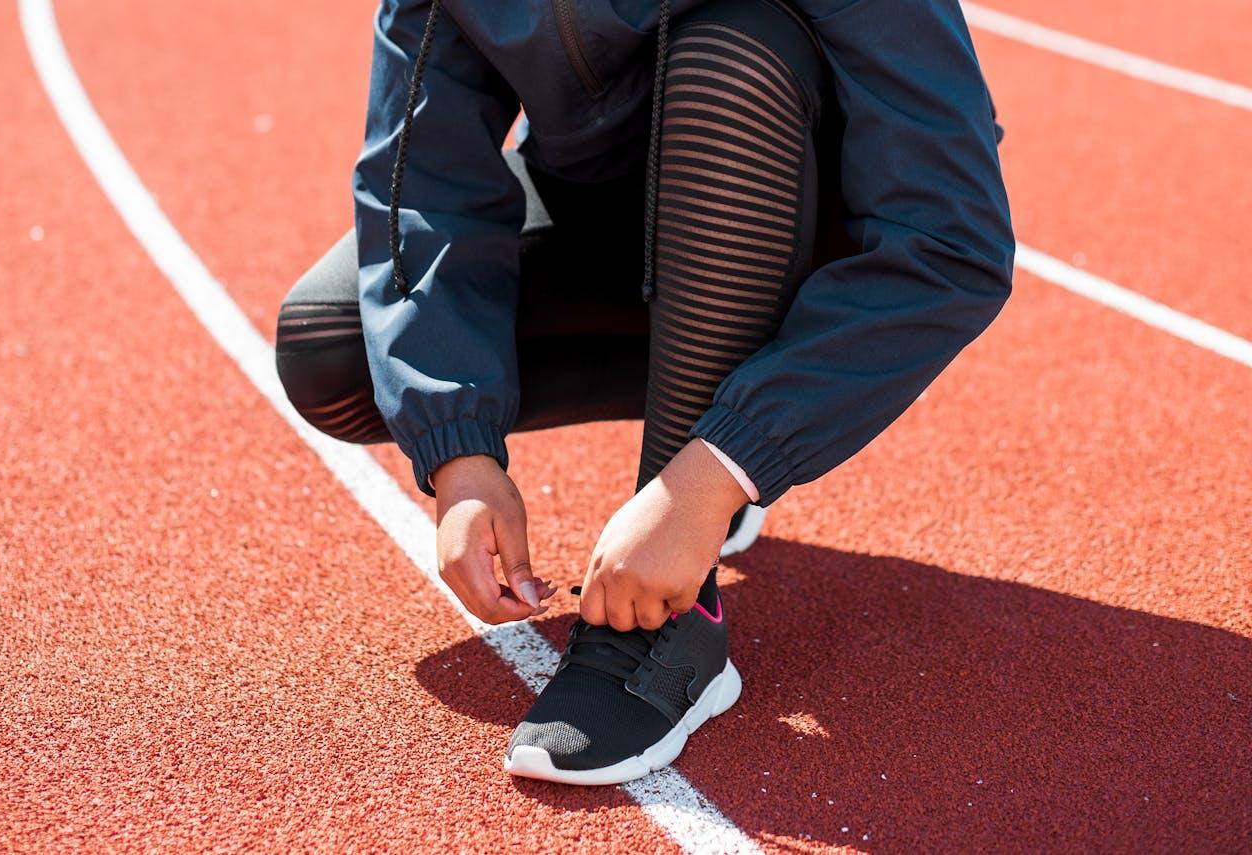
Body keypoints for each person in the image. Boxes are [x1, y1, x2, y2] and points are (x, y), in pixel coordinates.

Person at [275, 0, 1013, 785]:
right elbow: (421, 184)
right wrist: (457, 448)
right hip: (605, 208)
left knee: (736, 53)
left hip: (786, 209)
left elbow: (949, 238)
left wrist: (709, 477)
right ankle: (732, 403)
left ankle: (674, 619)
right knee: (337, 355)